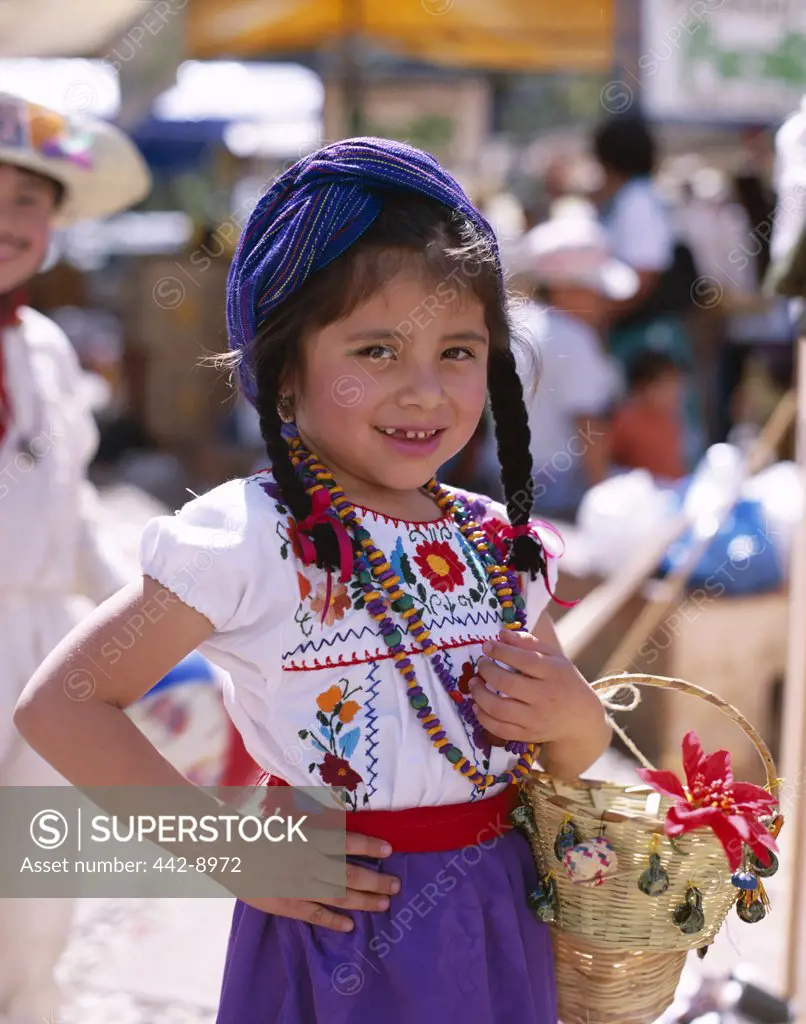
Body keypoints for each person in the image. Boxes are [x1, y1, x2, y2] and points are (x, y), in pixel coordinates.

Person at [15, 138, 612, 1023]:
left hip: (495, 924)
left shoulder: (497, 542)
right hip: (340, 933)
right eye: (376, 350)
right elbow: (63, 705)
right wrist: (233, 850)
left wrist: (577, 719)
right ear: (285, 370)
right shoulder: (252, 540)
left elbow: (564, 751)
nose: (423, 391)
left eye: (458, 351)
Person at [0, 90, 150, 1022]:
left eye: (30, 201)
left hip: (45, 645)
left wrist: (149, 623)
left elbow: (77, 517)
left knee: (37, 889)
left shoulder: (49, 352)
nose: (10, 223)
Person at [592, 114, 704, 467]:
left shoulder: (636, 201)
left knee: (660, 437)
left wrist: (598, 315)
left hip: (649, 339)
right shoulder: (639, 196)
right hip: (649, 334)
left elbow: (644, 273)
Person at [510, 212, 630, 517]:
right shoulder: (574, 338)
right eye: (597, 291)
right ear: (567, 289)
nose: (605, 302)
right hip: (559, 494)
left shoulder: (517, 325)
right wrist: (602, 508)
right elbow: (588, 424)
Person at [609, 350, 686, 480]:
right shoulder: (626, 421)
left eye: (676, 386)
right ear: (642, 387)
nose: (675, 393)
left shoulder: (670, 420)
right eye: (667, 386)